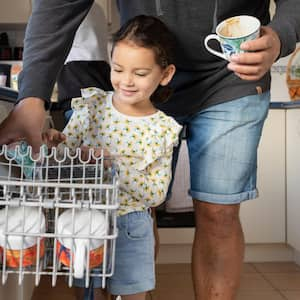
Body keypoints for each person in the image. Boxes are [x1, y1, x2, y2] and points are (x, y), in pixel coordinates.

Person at [0, 1, 299, 299]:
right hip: (148, 76)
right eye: (117, 69)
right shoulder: (103, 102)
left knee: (219, 212)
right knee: (141, 214)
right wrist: (31, 98)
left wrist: (281, 34)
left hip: (232, 77)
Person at [42, 15, 181, 300]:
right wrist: (57, 146)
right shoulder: (91, 105)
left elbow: (155, 194)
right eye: (118, 69)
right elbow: (66, 162)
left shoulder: (163, 128)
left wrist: (111, 164)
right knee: (88, 294)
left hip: (132, 227)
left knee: (132, 295)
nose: (126, 81)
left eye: (140, 74)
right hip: (83, 221)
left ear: (165, 74)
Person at [53, 1, 112, 125]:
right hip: (101, 73)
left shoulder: (65, 6)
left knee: (79, 131)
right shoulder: (97, 8)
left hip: (76, 75)